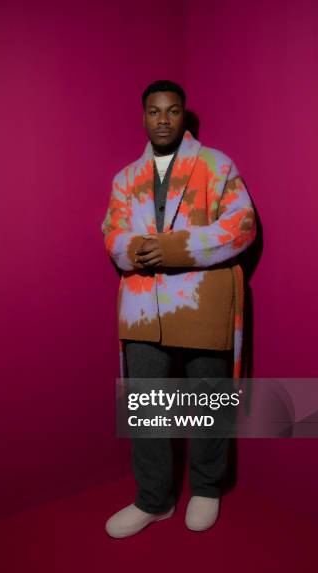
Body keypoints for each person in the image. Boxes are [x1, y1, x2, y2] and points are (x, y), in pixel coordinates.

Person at [101, 80, 256, 538]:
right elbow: (112, 232)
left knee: (206, 398)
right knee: (146, 405)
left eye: (171, 111)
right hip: (143, 306)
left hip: (203, 297)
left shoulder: (216, 164)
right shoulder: (125, 178)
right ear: (144, 116)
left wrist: (172, 249)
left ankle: (206, 488)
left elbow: (242, 225)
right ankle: (154, 500)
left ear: (184, 116)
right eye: (154, 111)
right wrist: (134, 248)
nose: (163, 119)